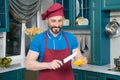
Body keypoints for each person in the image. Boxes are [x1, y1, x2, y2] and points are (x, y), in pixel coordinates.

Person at [25, 2, 87, 80]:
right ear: (47, 20)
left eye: (60, 21)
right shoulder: (38, 39)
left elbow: (78, 57)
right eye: (53, 21)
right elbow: (28, 64)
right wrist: (48, 65)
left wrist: (82, 61)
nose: (57, 25)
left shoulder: (70, 38)